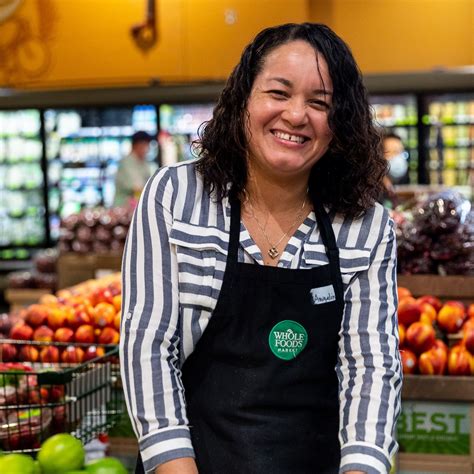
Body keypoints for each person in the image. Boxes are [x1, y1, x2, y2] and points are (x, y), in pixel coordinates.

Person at [120, 23, 402, 474]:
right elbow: (149, 347)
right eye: (279, 92)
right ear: (243, 100)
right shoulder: (175, 197)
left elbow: (371, 369)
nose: (295, 115)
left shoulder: (367, 227)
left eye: (320, 102)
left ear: (340, 124)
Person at [113, 130, 153, 207]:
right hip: (123, 209)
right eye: (145, 145)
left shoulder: (144, 162)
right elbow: (137, 187)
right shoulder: (127, 162)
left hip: (137, 207)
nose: (147, 149)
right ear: (136, 145)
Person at [379, 131, 410, 208]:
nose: (398, 157)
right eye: (393, 152)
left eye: (400, 152)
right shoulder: (373, 192)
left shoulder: (393, 186)